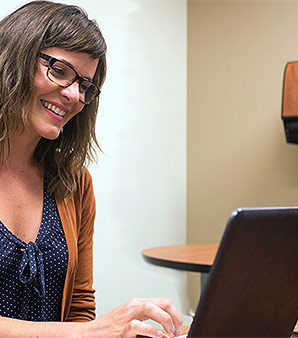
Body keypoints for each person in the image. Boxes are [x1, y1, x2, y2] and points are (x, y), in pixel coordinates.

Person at [0, 1, 183, 337]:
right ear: (15, 58)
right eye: (58, 71)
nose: (73, 95)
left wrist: (113, 331)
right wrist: (89, 333)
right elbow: (83, 332)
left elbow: (80, 309)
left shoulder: (74, 182)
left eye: (85, 85)